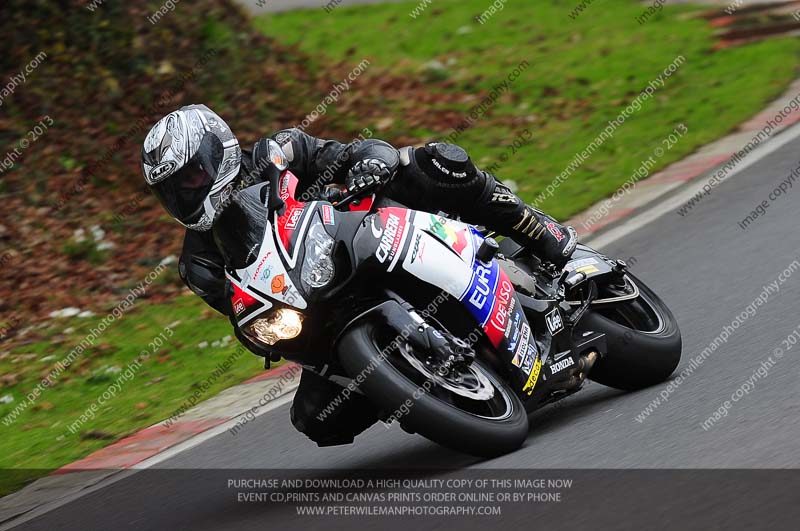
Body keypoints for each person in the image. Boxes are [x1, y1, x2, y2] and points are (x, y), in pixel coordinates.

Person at [142, 104, 577, 446]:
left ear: (218, 148)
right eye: (174, 189)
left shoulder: (277, 153)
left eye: (193, 176)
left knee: (432, 163)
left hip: (369, 236)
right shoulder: (197, 263)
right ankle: (420, 391)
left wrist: (369, 164)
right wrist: (261, 330)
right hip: (318, 308)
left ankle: (539, 230)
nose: (188, 192)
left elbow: (353, 151)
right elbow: (244, 311)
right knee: (315, 420)